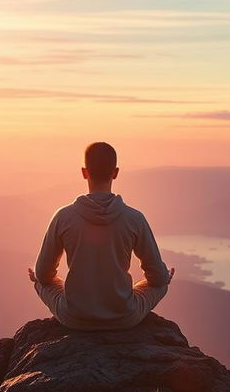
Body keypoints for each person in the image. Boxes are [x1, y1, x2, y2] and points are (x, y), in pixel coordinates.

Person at [28, 141, 174, 330]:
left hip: (74, 318)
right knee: (161, 284)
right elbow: (157, 279)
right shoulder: (134, 218)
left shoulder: (63, 217)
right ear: (115, 172)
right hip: (124, 318)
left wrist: (39, 278)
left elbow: (44, 274)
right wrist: (165, 277)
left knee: (40, 281)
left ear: (84, 172)